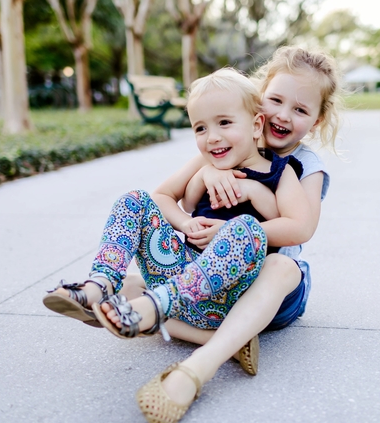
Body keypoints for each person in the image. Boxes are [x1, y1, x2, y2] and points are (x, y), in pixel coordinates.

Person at [43, 67, 313, 421]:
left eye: (224, 123)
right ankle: (99, 285)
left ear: (256, 124)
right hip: (180, 274)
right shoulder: (206, 162)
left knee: (245, 227)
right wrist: (185, 221)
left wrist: (253, 192)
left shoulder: (281, 171)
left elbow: (296, 226)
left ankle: (154, 308)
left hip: (228, 294)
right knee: (135, 199)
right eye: (201, 128)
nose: (212, 137)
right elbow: (161, 197)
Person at [127, 46, 342, 423]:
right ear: (260, 100)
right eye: (275, 100)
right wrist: (207, 175)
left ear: (318, 120)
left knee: (284, 266)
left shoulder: (306, 166)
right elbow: (165, 196)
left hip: (270, 289)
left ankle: (198, 367)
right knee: (129, 283)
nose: (282, 115)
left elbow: (302, 227)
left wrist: (241, 218)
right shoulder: (227, 136)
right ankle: (216, 334)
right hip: (211, 278)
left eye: (301, 110)